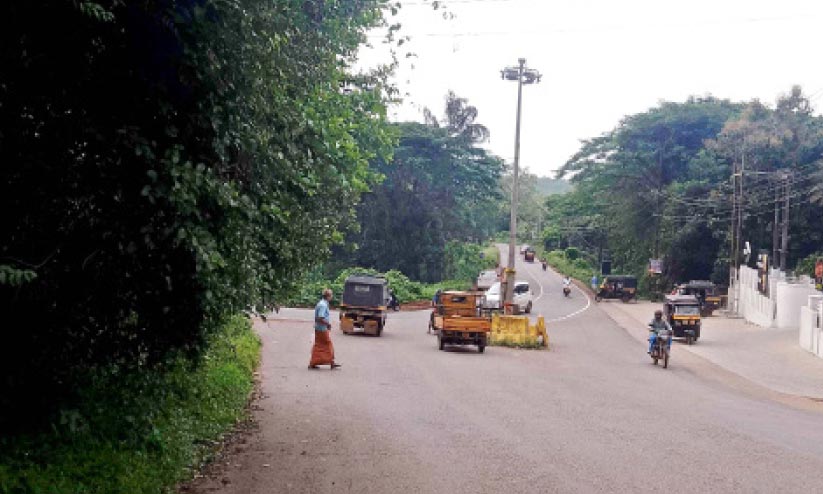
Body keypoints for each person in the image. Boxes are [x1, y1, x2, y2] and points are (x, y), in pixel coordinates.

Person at [309, 288, 340, 370]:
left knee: (319, 345)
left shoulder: (322, 303)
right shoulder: (323, 305)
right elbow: (320, 317)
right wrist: (328, 324)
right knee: (327, 344)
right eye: (331, 295)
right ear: (328, 296)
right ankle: (331, 362)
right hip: (322, 328)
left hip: (320, 328)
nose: (332, 297)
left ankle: (314, 362)